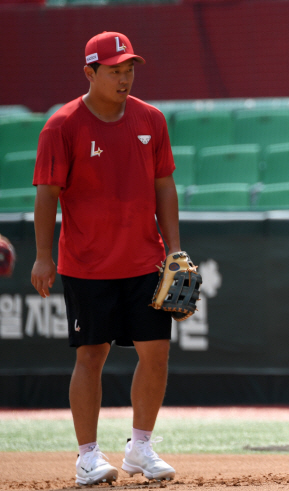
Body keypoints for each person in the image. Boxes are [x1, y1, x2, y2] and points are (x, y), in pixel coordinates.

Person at [31, 32, 179, 486]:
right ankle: (88, 456)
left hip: (144, 261)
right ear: (89, 73)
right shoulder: (62, 125)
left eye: (129, 68)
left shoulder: (151, 119)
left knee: (156, 354)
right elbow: (46, 196)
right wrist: (41, 256)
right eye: (115, 70)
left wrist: (175, 251)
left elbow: (164, 187)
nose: (125, 77)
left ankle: (140, 448)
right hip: (87, 264)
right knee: (90, 356)